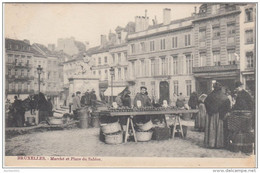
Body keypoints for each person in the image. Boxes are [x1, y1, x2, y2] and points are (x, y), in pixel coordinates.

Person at [204, 82, 230, 148]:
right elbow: (227, 104)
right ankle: (219, 143)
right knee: (219, 129)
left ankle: (211, 143)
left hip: (211, 115)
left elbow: (205, 102)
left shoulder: (210, 95)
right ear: (220, 88)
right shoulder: (224, 96)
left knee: (212, 128)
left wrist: (210, 110)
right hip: (220, 115)